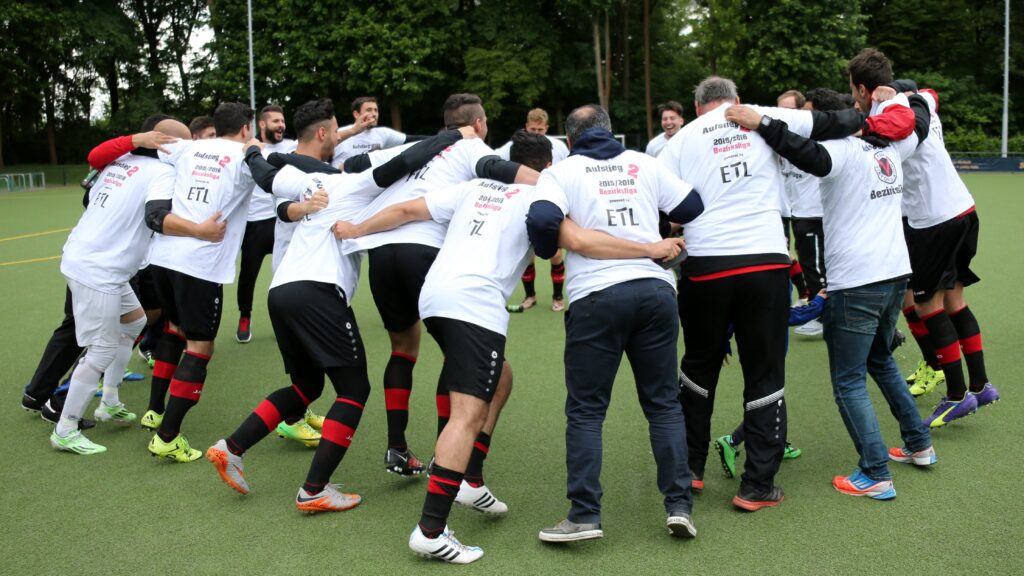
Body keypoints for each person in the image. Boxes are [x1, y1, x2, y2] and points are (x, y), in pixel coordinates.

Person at [658, 75, 911, 511]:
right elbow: (835, 121)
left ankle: (691, 469)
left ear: (696, 108)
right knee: (764, 370)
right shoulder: (763, 116)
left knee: (698, 366)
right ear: (736, 100)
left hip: (705, 265)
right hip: (765, 261)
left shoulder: (678, 141)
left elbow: (666, 211)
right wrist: (876, 106)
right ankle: (757, 486)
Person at [205, 124, 476, 513]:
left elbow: (264, 176)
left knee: (306, 385)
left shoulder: (308, 183)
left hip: (281, 291)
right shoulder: (355, 183)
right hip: (319, 291)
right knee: (354, 390)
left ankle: (231, 448)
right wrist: (453, 136)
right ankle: (314, 489)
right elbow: (405, 161)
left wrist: (251, 151)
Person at [332, 130, 557, 563]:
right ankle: (431, 530)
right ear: (545, 166)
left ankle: (470, 479)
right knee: (467, 414)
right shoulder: (546, 193)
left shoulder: (475, 187)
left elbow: (404, 209)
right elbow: (562, 242)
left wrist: (357, 229)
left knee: (501, 376)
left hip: (435, 296)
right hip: (475, 303)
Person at [724, 80, 935, 500]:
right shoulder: (892, 146)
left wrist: (761, 122)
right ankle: (919, 444)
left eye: (809, 117)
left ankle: (875, 472)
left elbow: (802, 150)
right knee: (881, 361)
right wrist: (901, 95)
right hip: (895, 274)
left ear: (825, 119)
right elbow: (922, 121)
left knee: (848, 382)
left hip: (856, 282)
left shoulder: (840, 150)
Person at [528, 104, 705, 543]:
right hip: (655, 291)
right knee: (663, 405)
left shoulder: (561, 172)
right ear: (610, 130)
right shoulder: (645, 162)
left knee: (586, 411)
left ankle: (585, 514)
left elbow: (542, 221)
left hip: (596, 296)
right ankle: (679, 506)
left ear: (570, 139)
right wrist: (656, 227)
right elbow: (691, 204)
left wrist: (552, 244)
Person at [340, 93, 539, 477]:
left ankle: (397, 448)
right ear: (477, 124)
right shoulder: (470, 145)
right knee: (456, 353)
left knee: (403, 348)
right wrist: (558, 184)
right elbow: (497, 168)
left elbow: (353, 165)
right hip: (423, 249)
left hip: (382, 251)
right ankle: (445, 454)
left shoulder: (417, 147)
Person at [850, 61, 1000, 424]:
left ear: (863, 89)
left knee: (926, 307)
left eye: (854, 92)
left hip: (933, 221)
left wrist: (861, 125)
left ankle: (956, 395)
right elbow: (930, 93)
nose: (854, 101)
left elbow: (884, 135)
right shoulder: (919, 100)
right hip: (963, 209)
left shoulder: (889, 115)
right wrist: (901, 93)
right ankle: (980, 385)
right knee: (955, 301)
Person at [49, 116, 194, 454]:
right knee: (100, 349)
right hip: (98, 269)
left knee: (135, 320)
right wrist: (200, 231)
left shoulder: (121, 161)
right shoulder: (162, 173)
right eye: (185, 145)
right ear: (167, 146)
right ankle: (65, 429)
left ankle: (109, 401)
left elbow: (96, 156)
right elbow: (156, 216)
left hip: (94, 263)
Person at [141, 102, 260, 462]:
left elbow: (149, 141)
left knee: (173, 329)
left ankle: (154, 410)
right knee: (200, 347)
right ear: (245, 128)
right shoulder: (246, 156)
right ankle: (167, 436)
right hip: (200, 265)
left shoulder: (186, 148)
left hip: (162, 257)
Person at [235, 105, 298, 344]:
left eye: (282, 121)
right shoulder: (249, 148)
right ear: (262, 124)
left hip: (283, 219)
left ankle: (287, 320)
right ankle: (244, 316)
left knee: (287, 271)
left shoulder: (292, 146)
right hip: (255, 224)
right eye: (275, 121)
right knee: (248, 274)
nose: (281, 125)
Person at [330, 96, 412, 167]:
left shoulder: (383, 133)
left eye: (376, 110)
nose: (374, 114)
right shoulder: (341, 133)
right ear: (356, 114)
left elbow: (412, 140)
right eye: (369, 110)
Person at [495, 108, 570, 164]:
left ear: (546, 128)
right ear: (526, 126)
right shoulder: (514, 145)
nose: (536, 133)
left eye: (540, 129)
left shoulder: (559, 146)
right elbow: (493, 158)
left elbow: (569, 166)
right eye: (533, 129)